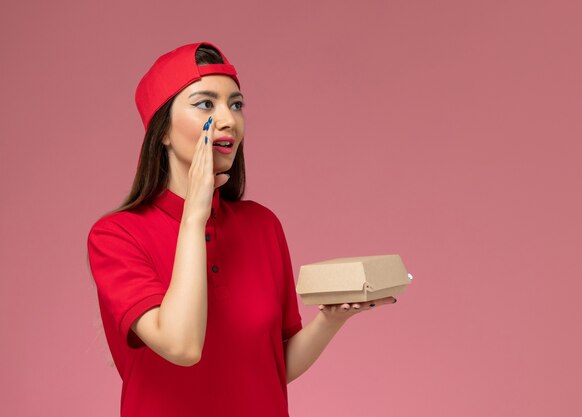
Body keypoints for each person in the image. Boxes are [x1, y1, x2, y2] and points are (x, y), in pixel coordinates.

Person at [86, 41, 396, 417]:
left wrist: (330, 320)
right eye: (205, 103)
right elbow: (182, 345)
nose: (228, 119)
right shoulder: (116, 237)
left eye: (235, 104)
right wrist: (194, 218)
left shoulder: (263, 226)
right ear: (162, 130)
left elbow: (273, 367)